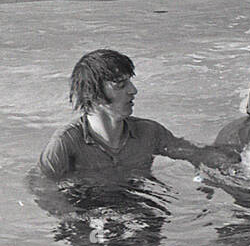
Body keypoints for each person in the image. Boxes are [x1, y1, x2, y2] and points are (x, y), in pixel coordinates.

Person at [38, 49, 236, 178]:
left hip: (137, 202)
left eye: (130, 82)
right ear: (93, 94)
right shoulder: (66, 143)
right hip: (87, 207)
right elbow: (41, 187)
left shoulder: (149, 133)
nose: (133, 90)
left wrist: (238, 162)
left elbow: (193, 152)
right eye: (121, 85)